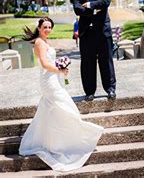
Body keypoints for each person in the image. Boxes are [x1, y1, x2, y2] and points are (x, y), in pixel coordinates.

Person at [19, 17, 104, 172]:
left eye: (50, 27)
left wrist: (60, 66)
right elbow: (44, 64)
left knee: (54, 110)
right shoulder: (39, 42)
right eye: (45, 27)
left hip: (54, 79)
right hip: (49, 81)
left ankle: (56, 141)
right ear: (39, 28)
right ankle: (76, 136)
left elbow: (50, 61)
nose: (47, 30)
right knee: (66, 106)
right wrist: (60, 69)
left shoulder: (45, 41)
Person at [72, 0, 116, 101]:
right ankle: (89, 92)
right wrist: (96, 9)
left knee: (106, 61)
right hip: (86, 33)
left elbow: (106, 1)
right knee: (87, 63)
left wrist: (90, 5)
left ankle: (110, 89)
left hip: (103, 31)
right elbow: (77, 9)